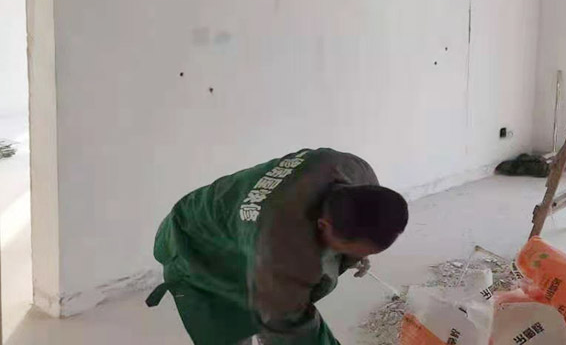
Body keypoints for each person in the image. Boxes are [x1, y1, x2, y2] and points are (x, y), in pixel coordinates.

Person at [146, 148, 409, 345]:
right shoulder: (282, 244)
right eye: (350, 249)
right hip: (195, 245)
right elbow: (292, 328)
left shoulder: (355, 170)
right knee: (232, 329)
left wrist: (352, 256)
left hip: (243, 230)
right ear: (322, 225)